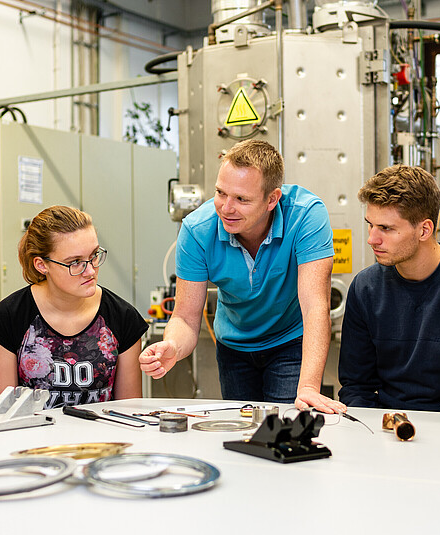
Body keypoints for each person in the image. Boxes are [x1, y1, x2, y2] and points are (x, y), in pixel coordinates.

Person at [139, 139, 342, 413]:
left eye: (241, 199)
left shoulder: (306, 216)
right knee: (244, 430)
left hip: (289, 340)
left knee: (286, 426)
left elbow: (315, 305)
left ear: (272, 199)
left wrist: (307, 387)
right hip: (234, 346)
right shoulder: (197, 230)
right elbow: (185, 317)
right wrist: (172, 346)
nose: (226, 207)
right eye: (221, 193)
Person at [338, 165, 440, 411]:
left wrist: (424, 435)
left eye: (386, 228)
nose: (372, 239)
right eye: (370, 225)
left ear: (425, 229)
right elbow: (356, 387)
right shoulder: (365, 288)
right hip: (385, 426)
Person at [0, 206, 146, 409]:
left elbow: (129, 414)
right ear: (42, 265)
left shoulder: (122, 317)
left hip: (103, 439)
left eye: (94, 255)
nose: (90, 270)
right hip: (29, 440)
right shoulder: (7, 320)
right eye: (75, 262)